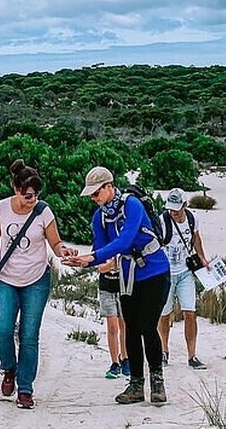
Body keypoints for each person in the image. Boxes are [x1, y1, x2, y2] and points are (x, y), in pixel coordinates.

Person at [63, 166, 170, 404]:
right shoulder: (99, 217)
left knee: (147, 326)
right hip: (128, 275)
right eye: (91, 195)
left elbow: (124, 241)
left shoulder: (132, 205)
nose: (93, 198)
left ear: (109, 186)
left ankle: (157, 381)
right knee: (130, 327)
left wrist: (91, 258)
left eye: (96, 193)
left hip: (155, 271)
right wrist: (84, 260)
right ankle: (135, 383)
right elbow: (101, 250)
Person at [0, 159, 76, 410]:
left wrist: (63, 251)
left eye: (36, 195)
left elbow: (55, 243)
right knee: (2, 329)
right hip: (7, 280)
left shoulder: (43, 211)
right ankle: (9, 369)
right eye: (27, 195)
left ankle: (25, 388)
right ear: (16, 189)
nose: (32, 199)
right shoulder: (2, 209)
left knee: (28, 335)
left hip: (36, 280)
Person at [157, 188, 210, 370]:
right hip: (166, 273)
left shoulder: (193, 219)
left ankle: (192, 356)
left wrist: (202, 257)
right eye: (171, 209)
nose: (174, 212)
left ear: (185, 205)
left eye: (177, 209)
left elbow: (196, 238)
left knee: (190, 312)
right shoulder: (163, 221)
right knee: (164, 315)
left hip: (186, 271)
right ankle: (163, 351)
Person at [97, 256, 130, 379]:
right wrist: (112, 264)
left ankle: (125, 358)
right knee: (112, 326)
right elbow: (100, 268)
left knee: (124, 325)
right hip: (106, 288)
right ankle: (114, 362)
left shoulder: (125, 242)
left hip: (124, 287)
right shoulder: (101, 243)